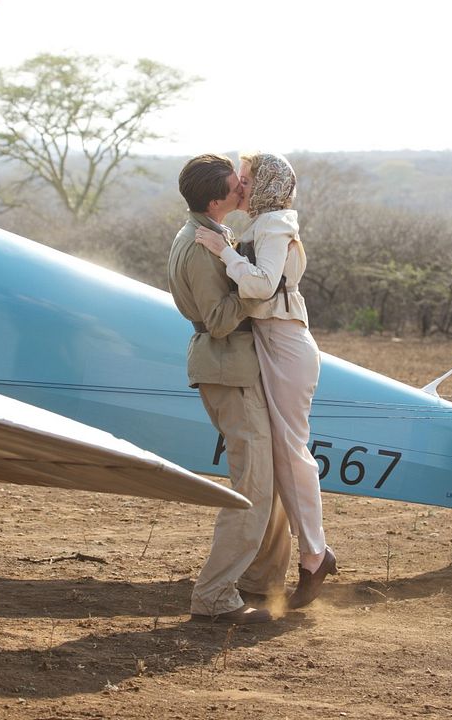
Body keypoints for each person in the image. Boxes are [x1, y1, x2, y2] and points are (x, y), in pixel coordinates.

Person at [194, 152, 336, 610]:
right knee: (280, 451)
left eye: (250, 179)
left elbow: (260, 284)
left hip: (287, 345)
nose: (243, 187)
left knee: (292, 450)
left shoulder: (275, 224)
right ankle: (307, 553)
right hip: (272, 344)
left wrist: (225, 253)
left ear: (270, 184)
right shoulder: (267, 223)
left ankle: (315, 553)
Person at [167, 153, 292, 624]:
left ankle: (261, 583)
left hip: (235, 370)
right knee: (253, 487)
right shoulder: (204, 246)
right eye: (237, 185)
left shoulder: (212, 236)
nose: (246, 188)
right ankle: (215, 596)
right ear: (218, 199)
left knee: (269, 479)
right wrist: (262, 285)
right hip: (228, 369)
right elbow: (218, 321)